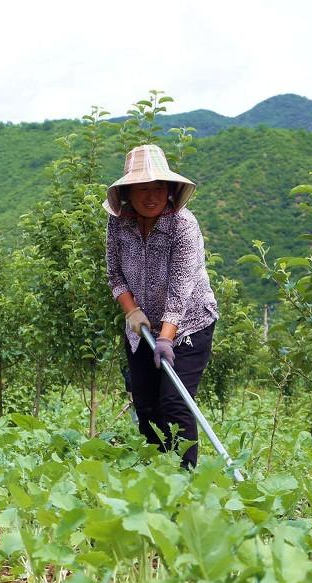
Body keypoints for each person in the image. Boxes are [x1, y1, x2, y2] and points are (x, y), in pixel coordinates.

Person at [105, 144, 219, 468]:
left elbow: (181, 287)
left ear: (169, 190)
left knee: (174, 402)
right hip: (141, 328)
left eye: (157, 188)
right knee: (147, 405)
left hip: (189, 326)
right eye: (142, 189)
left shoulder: (182, 225)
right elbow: (115, 275)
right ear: (128, 193)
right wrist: (131, 311)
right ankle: (157, 473)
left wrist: (167, 337)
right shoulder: (118, 223)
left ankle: (185, 476)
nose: (151, 196)